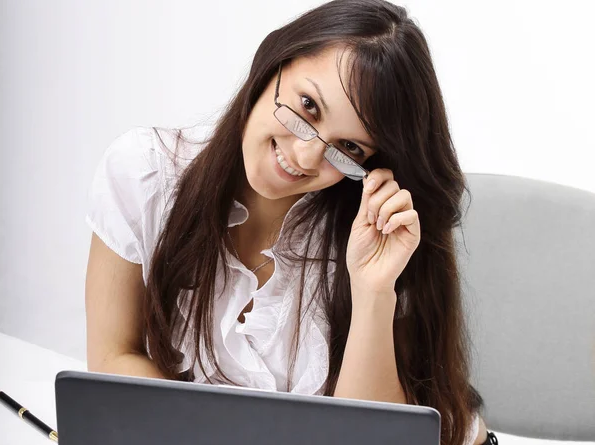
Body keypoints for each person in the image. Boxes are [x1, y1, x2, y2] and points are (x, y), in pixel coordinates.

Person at [84, 1, 498, 444]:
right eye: (308, 106)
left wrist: (372, 289)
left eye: (350, 148)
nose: (305, 157)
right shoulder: (146, 174)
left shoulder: (376, 234)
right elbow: (113, 356)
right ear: (274, 62)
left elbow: (369, 439)